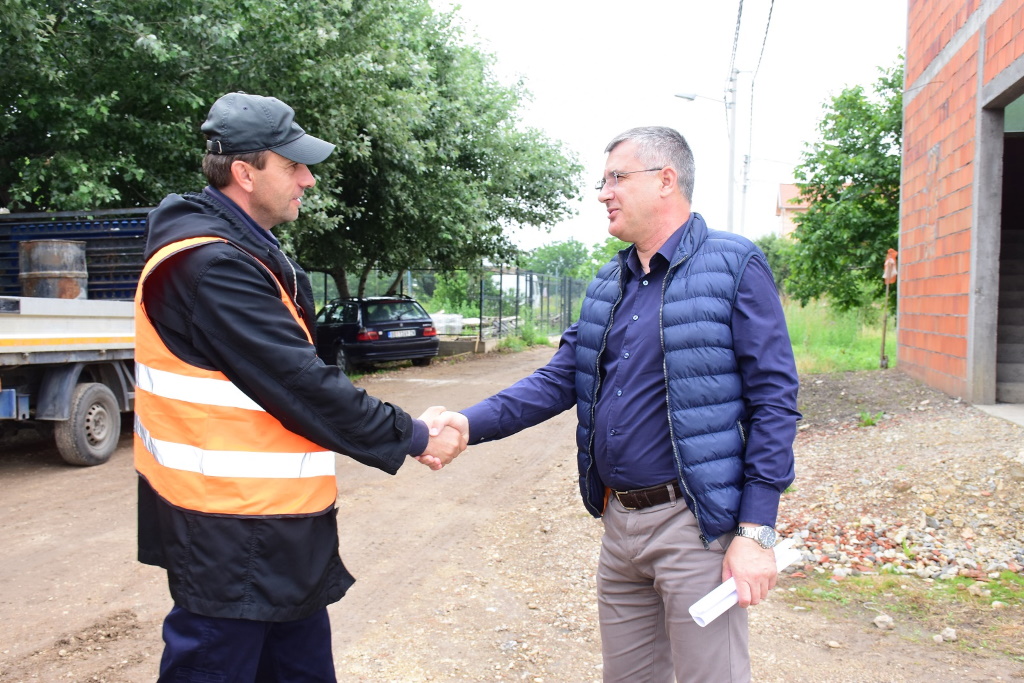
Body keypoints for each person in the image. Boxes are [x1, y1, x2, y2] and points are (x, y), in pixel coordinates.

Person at [134, 91, 467, 682]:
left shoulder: (243, 249)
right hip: (230, 537)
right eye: (292, 165)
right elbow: (301, 383)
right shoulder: (212, 265)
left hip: (274, 530)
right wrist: (413, 435)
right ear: (243, 173)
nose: (308, 179)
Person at [453, 126, 799, 682]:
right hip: (620, 526)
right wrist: (466, 425)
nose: (603, 192)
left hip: (696, 526)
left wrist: (756, 532)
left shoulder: (733, 264)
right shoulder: (608, 283)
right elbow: (558, 378)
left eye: (617, 178)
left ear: (666, 180)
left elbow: (775, 402)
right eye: (603, 180)